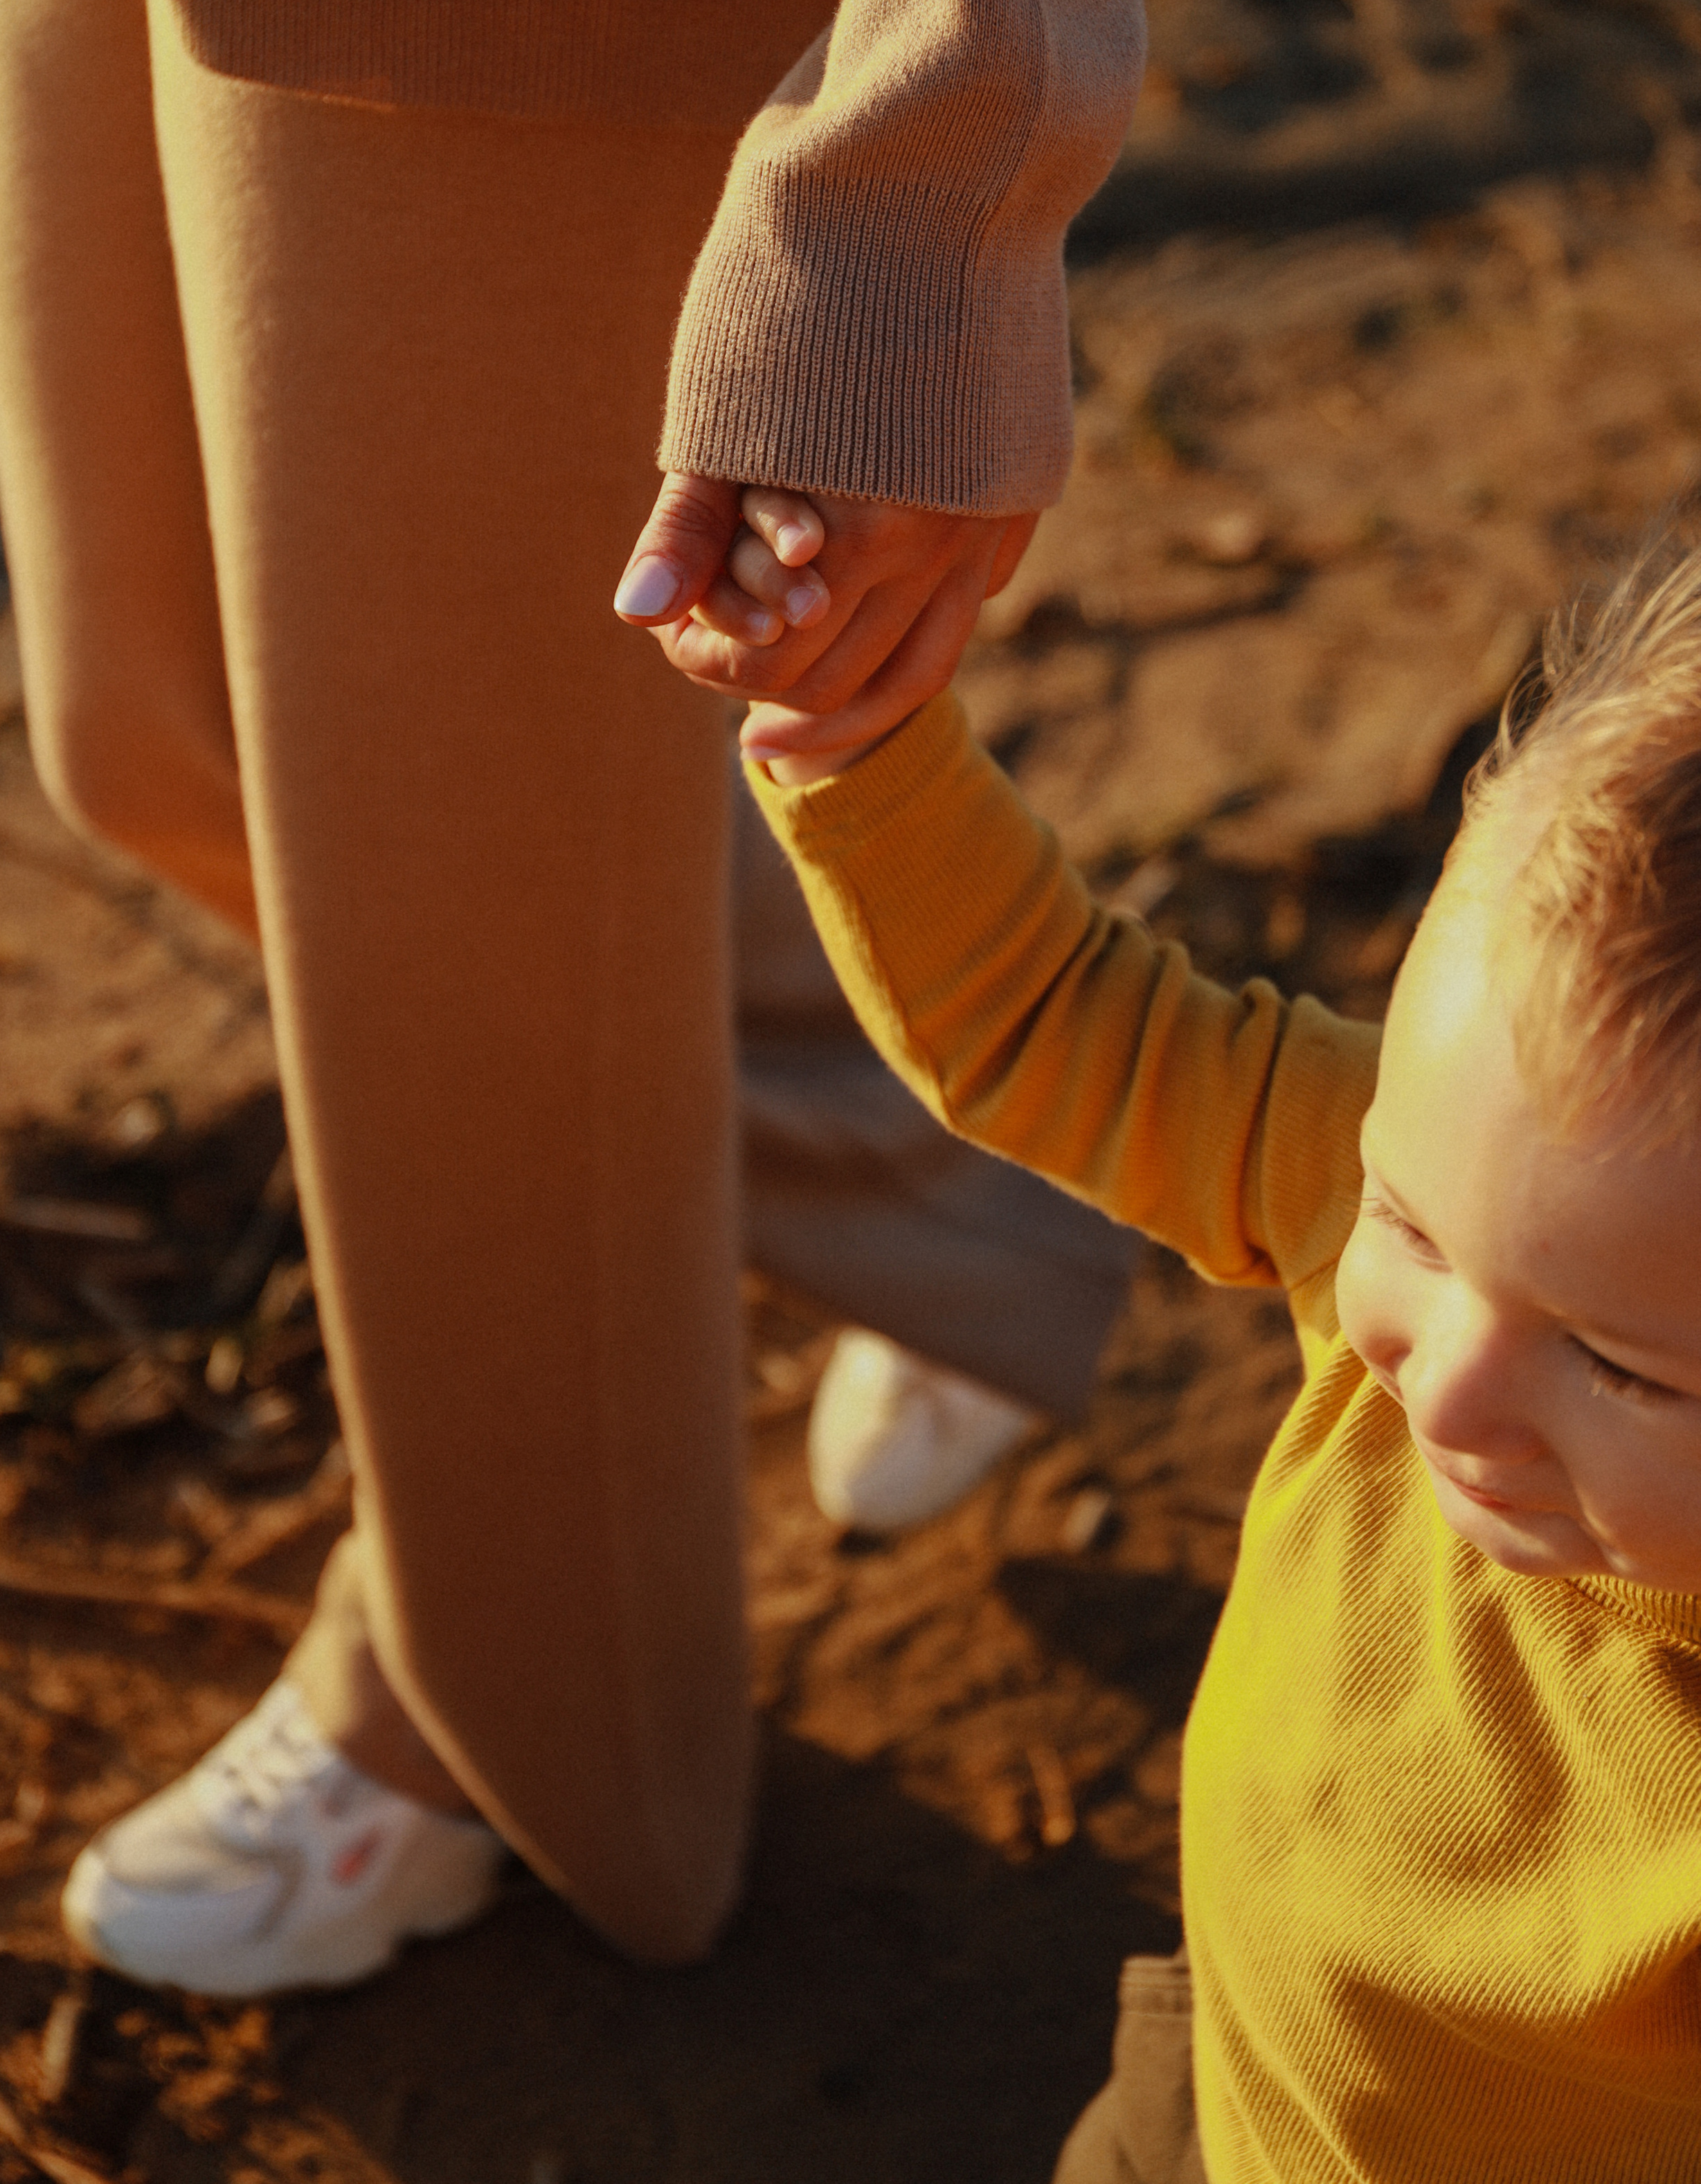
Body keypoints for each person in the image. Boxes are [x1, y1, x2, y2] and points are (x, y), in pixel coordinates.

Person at [0, 0, 1213, 1996]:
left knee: (448, 905)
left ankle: (507, 1718)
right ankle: (948, 1198)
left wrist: (945, 125)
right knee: (161, 732)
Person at [726, 496, 1701, 2183]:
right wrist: (856, 735)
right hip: (1216, 2082)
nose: (1436, 1381)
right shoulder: (1462, 1200)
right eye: (1406, 1220)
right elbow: (1053, 1018)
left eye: (1618, 1368)